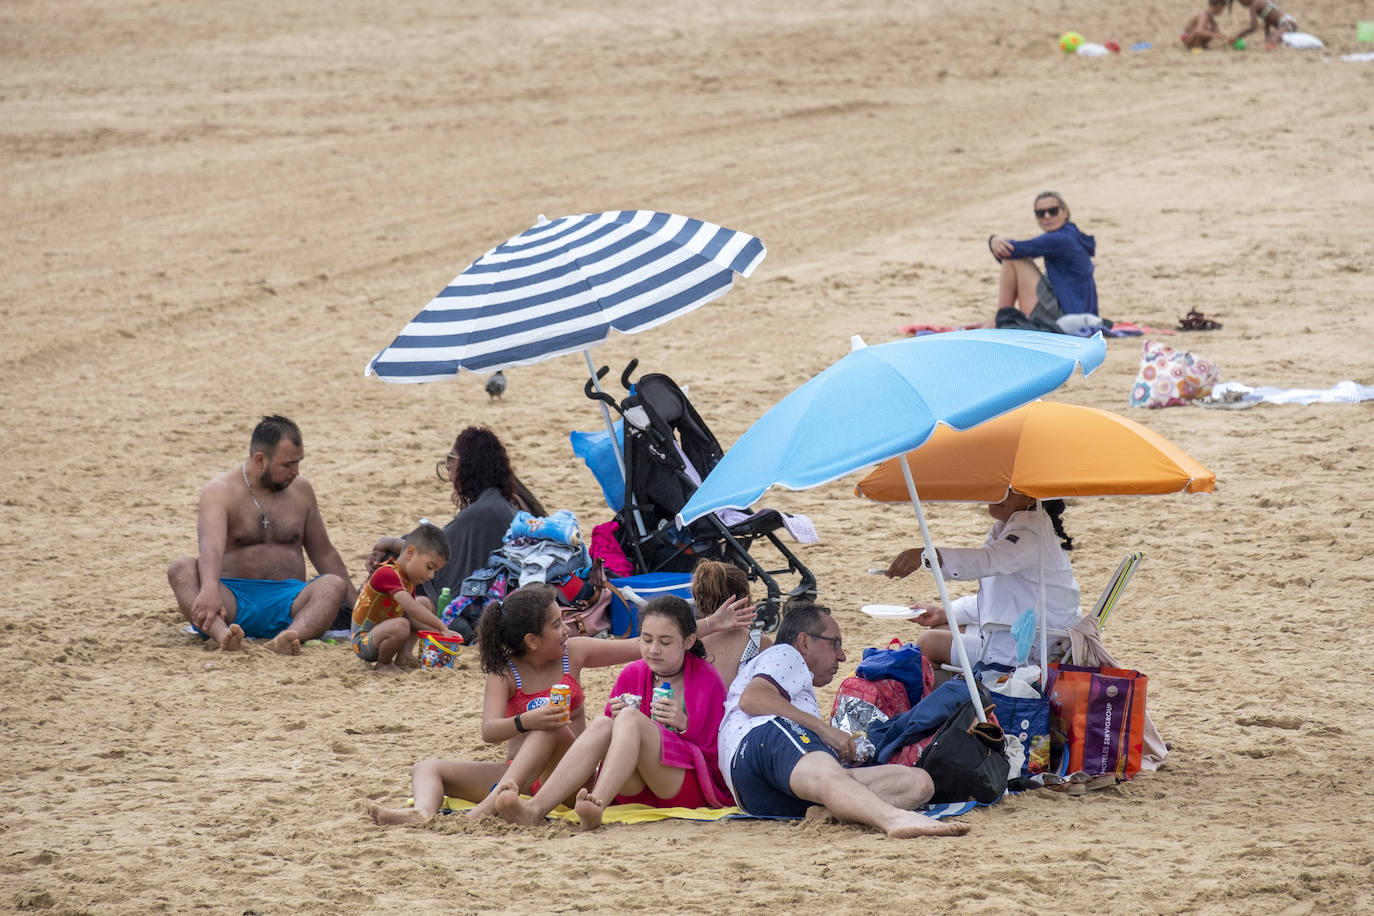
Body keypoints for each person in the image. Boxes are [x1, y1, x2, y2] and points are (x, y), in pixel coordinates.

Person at [367, 583, 641, 826]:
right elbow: (490, 731)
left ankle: (483, 811)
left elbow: (638, 646)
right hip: (516, 777)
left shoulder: (575, 652)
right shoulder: (505, 672)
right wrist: (525, 721)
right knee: (427, 767)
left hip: (567, 777)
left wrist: (674, 628)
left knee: (553, 727)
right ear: (532, 641)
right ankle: (423, 813)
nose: (566, 629)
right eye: (557, 624)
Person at [717, 601, 969, 838]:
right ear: (804, 642)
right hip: (758, 744)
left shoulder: (793, 681)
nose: (842, 656)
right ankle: (894, 819)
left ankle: (829, 812)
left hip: (765, 793)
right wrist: (825, 731)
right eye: (834, 644)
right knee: (830, 775)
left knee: (918, 783)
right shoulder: (786, 654)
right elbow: (753, 699)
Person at [493, 595, 732, 830]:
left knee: (629, 718)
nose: (653, 650)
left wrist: (684, 725)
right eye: (646, 640)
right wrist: (615, 719)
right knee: (603, 723)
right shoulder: (633, 673)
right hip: (635, 789)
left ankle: (596, 803)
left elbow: (718, 755)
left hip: (684, 787)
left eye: (665, 642)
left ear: (688, 642)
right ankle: (535, 809)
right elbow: (606, 745)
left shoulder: (706, 679)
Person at [167, 415, 357, 655]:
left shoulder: (301, 490)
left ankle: (288, 638)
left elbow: (323, 552)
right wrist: (210, 589)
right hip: (232, 599)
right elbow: (210, 549)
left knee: (332, 585)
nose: (295, 472)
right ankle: (222, 635)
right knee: (180, 568)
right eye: (287, 465)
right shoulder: (221, 491)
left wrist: (358, 606)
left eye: (298, 463)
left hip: (290, 601)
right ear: (260, 460)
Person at [366, 426, 545, 642]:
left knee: (396, 565)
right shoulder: (505, 499)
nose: (448, 465)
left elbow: (434, 551)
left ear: (468, 465)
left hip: (483, 602)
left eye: (452, 458)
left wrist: (389, 542)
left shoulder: (483, 512)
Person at [885, 492, 1082, 669]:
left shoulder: (1029, 534)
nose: (997, 495)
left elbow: (988, 560)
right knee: (941, 628)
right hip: (1031, 632)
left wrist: (929, 554)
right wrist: (944, 613)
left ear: (1031, 498)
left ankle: (967, 700)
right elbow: (1003, 598)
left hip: (1034, 649)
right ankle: (962, 694)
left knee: (928, 642)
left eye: (1009, 491)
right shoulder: (1019, 526)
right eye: (997, 487)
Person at [350, 523, 457, 674]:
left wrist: (444, 635)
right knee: (402, 624)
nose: (431, 575)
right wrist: (442, 627)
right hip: (364, 641)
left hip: (383, 632)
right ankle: (383, 664)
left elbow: (415, 618)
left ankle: (404, 656)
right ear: (410, 553)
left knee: (424, 603)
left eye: (435, 571)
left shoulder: (408, 582)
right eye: (429, 567)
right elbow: (411, 609)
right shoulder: (387, 573)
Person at [987, 190, 1098, 330]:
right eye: (1041, 213)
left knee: (1014, 260)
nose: (1047, 216)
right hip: (1078, 312)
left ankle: (1000, 318)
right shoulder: (1072, 232)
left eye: (1053, 211)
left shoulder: (1060, 239)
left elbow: (1011, 251)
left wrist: (993, 240)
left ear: (1065, 213)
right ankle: (1000, 318)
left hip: (1067, 318)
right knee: (1016, 259)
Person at [689, 559, 770, 687]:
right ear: (744, 601)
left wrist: (709, 624)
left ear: (697, 600)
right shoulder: (759, 642)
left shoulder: (687, 640)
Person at [1231, 0, 1299, 48]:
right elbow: (1267, 19)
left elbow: (1253, 27)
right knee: (1273, 39)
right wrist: (1267, 35)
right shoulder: (1262, 1)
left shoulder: (1254, 6)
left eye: (1241, 0)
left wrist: (1238, 36)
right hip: (1289, 21)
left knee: (1273, 40)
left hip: (1286, 23)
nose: (1242, 3)